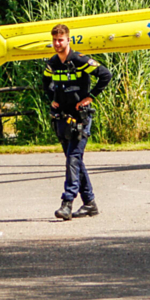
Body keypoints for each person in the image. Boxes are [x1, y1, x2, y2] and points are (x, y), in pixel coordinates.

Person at [43, 24, 112, 221]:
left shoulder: (80, 60)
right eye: (55, 40)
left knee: (73, 157)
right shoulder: (52, 63)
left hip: (81, 117)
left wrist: (90, 97)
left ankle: (67, 203)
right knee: (75, 160)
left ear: (68, 40)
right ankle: (90, 203)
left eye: (61, 40)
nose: (57, 43)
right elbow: (45, 82)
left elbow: (105, 75)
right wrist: (52, 99)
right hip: (63, 119)